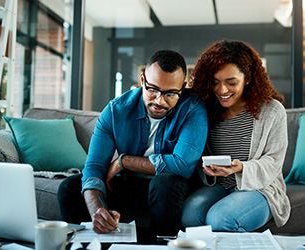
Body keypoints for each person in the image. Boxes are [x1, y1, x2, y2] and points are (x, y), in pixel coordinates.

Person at [58, 50, 208, 236]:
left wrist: (123, 161)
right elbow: (94, 167)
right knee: (70, 188)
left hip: (170, 189)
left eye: (170, 93)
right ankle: (86, 244)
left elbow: (182, 165)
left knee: (164, 182)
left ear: (183, 86)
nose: (159, 101)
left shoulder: (193, 108)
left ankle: (162, 245)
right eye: (152, 89)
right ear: (143, 79)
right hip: (132, 184)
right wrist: (97, 209)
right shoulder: (116, 111)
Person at [181, 40, 291, 232]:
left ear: (247, 78)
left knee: (220, 218)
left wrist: (241, 169)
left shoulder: (272, 111)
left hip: (260, 188)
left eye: (231, 82)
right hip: (220, 186)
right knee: (190, 216)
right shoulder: (206, 109)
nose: (222, 90)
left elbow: (274, 162)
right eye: (215, 82)